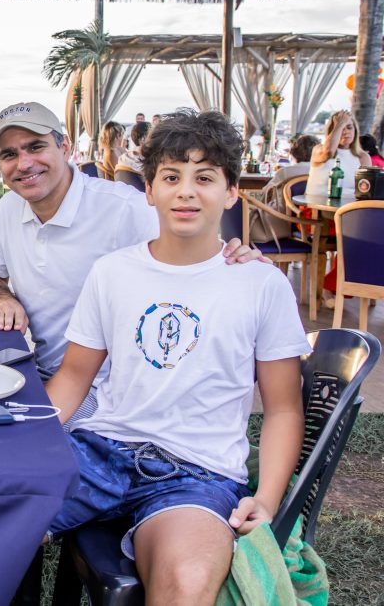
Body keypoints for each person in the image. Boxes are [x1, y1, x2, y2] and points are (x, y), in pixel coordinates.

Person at [44, 108, 308, 603]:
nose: (186, 191)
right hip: (99, 450)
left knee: (185, 585)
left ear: (231, 191)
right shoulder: (113, 272)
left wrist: (267, 499)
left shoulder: (259, 284)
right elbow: (74, 378)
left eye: (204, 177)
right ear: (150, 190)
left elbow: (283, 407)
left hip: (196, 473)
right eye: (171, 177)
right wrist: (22, 450)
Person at [0, 102, 261, 421]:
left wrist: (235, 260)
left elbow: (195, 256)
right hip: (46, 375)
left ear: (65, 146)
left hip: (112, 391)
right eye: (9, 154)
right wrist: (1, 297)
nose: (24, 164)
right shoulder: (9, 208)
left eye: (35, 147)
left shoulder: (127, 210)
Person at [307, 110, 370, 195]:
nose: (345, 132)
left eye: (349, 127)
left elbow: (365, 188)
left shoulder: (362, 157)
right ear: (332, 132)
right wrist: (339, 123)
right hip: (318, 206)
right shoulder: (318, 150)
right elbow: (328, 152)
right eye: (341, 128)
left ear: (355, 130)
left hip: (350, 206)